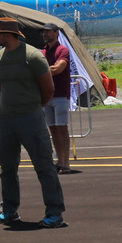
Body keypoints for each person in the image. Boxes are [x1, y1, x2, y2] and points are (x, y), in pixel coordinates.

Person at [0, 18, 66, 228]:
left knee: (44, 166)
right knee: (7, 168)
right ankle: (10, 210)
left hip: (31, 119)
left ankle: (55, 213)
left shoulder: (32, 56)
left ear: (8, 34)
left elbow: (48, 90)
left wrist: (32, 109)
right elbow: (0, 86)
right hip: (6, 121)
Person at [41, 23, 79, 174]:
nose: (45, 34)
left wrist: (41, 69)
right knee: (53, 130)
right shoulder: (43, 51)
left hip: (61, 95)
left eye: (48, 31)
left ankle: (66, 162)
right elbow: (51, 68)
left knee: (62, 128)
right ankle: (60, 160)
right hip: (47, 96)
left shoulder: (63, 50)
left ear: (56, 33)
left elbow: (58, 69)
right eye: (43, 32)